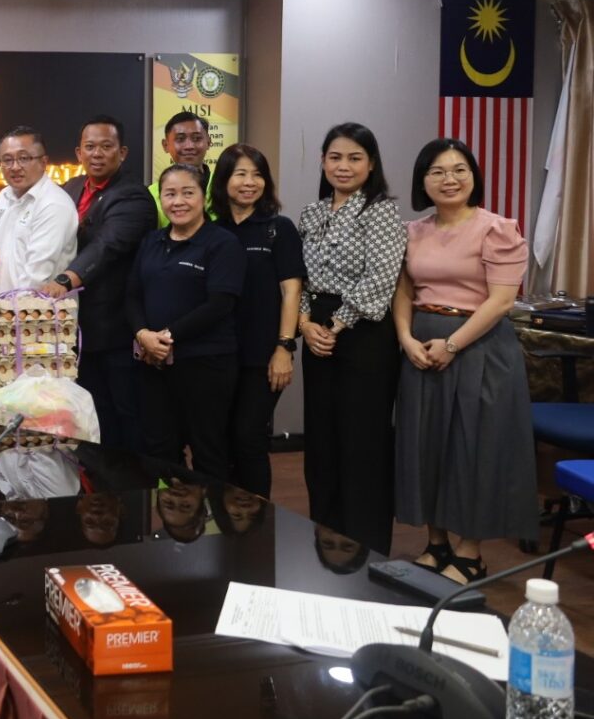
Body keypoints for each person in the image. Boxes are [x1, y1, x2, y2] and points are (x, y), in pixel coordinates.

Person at [393, 139, 536, 584]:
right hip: (422, 344)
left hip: (480, 347)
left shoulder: (497, 229)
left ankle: (470, 552)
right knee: (426, 443)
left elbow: (501, 301)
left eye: (459, 170)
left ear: (474, 176)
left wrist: (452, 345)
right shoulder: (412, 231)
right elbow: (404, 291)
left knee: (476, 447)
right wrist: (405, 338)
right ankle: (436, 543)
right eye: (437, 171)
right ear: (422, 181)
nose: (449, 179)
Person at [297, 122, 407, 557]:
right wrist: (306, 324)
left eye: (355, 158)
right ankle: (325, 539)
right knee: (321, 438)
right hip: (316, 332)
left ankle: (367, 547)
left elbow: (381, 279)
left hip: (364, 334)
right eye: (335, 157)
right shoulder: (311, 212)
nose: (344, 166)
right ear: (323, 161)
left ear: (371, 164)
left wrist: (335, 325)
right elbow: (298, 277)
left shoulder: (381, 212)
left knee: (363, 440)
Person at [45, 115, 156, 451]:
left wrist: (65, 280)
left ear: (122, 152)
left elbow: (107, 246)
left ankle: (131, 480)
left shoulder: (133, 196)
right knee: (88, 414)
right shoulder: (70, 189)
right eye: (90, 147)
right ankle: (95, 478)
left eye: (106, 146)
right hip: (77, 331)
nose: (97, 154)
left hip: (116, 329)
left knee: (125, 416)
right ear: (78, 152)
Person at [126, 164, 244, 481]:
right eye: (170, 194)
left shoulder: (222, 243)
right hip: (153, 363)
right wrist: (142, 335)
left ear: (203, 197)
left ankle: (212, 512)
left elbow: (220, 304)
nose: (178, 201)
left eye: (187, 193)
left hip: (206, 364)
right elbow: (132, 295)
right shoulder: (151, 241)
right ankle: (171, 510)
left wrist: (165, 337)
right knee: (159, 448)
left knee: (208, 450)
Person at [208, 143, 304, 497]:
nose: (250, 182)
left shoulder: (278, 228)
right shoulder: (212, 230)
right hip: (218, 355)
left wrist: (284, 347)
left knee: (248, 436)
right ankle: (222, 519)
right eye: (240, 174)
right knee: (219, 440)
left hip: (263, 355)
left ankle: (258, 520)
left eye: (258, 174)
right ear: (223, 180)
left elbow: (291, 292)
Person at [0, 126, 77, 294]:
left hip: (36, 308)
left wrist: (11, 309)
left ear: (44, 162)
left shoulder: (53, 204)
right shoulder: (4, 196)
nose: (15, 167)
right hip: (0, 306)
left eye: (24, 158)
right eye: (7, 160)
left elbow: (35, 279)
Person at [148, 112, 211, 227]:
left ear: (208, 142)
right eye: (180, 139)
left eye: (196, 138)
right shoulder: (151, 194)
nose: (189, 146)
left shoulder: (223, 184)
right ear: (165, 145)